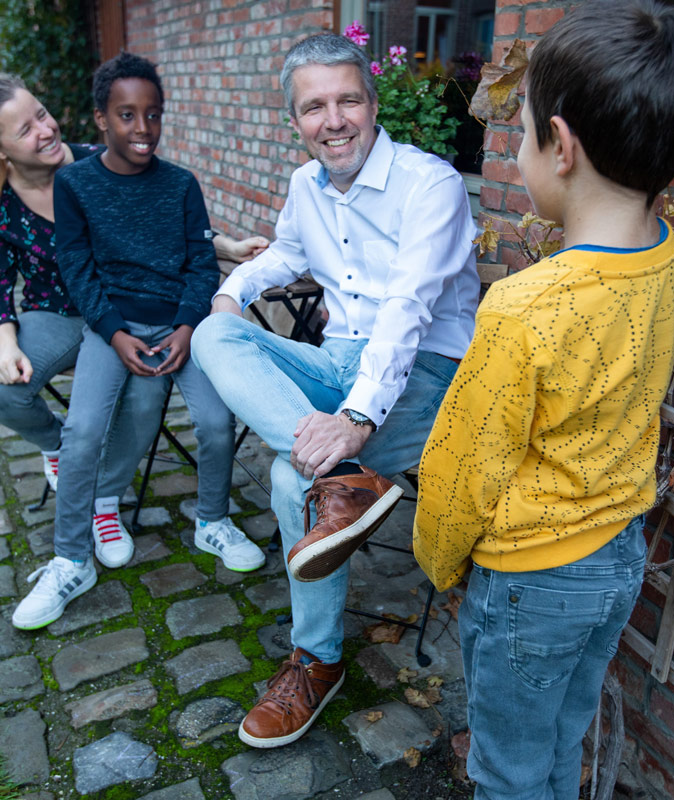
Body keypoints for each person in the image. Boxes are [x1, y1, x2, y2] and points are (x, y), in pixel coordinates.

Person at [411, 2, 674, 797]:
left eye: (519, 135)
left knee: (506, 769)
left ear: (561, 146)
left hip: (532, 581)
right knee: (559, 743)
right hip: (618, 558)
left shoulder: (526, 307)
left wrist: (438, 560)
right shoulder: (668, 264)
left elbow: (465, 465)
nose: (515, 153)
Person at [191, 33, 479, 748]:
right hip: (337, 358)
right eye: (314, 107)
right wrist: (232, 293)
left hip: (427, 369)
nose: (334, 120)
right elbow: (287, 253)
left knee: (290, 477)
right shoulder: (305, 186)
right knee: (212, 335)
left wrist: (355, 416)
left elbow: (408, 310)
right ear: (295, 121)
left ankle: (316, 662)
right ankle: (345, 481)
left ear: (374, 105)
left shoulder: (431, 184)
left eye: (348, 100)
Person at [8, 53, 268, 630]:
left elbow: (201, 262)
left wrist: (187, 326)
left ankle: (212, 521)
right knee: (81, 432)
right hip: (113, 327)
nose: (143, 127)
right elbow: (76, 268)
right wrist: (114, 333)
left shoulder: (181, 184)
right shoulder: (75, 183)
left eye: (153, 114)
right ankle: (71, 560)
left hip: (182, 325)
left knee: (216, 421)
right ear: (102, 119)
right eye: (127, 115)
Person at [0, 73, 266, 500]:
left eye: (43, 114)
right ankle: (59, 446)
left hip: (129, 309)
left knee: (144, 393)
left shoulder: (103, 159)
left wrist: (226, 247)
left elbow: (166, 229)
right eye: (26, 130)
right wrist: (5, 344)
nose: (46, 130)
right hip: (57, 313)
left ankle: (104, 493)